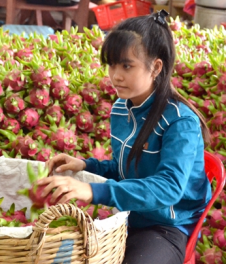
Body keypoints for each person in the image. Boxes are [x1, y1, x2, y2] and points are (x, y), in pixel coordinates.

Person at [39, 10, 212, 264]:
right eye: (111, 64)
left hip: (165, 228)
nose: (116, 75)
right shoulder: (122, 107)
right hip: (126, 216)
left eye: (127, 65)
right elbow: (127, 169)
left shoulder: (180, 122)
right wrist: (87, 165)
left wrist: (92, 190)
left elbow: (169, 188)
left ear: (156, 67)